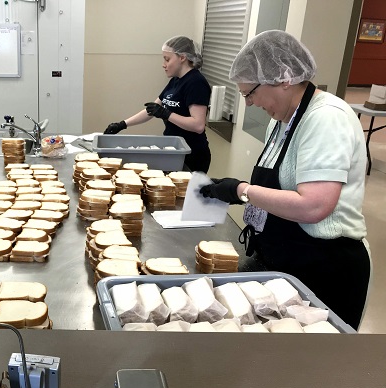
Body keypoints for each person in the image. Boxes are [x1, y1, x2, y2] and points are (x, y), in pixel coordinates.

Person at [200, 30, 371, 330]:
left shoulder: (325, 118)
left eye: (250, 93)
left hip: (324, 266)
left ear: (283, 76)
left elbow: (314, 206)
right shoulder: (281, 122)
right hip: (284, 259)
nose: (250, 104)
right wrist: (232, 189)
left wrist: (241, 190)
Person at [104, 36, 212, 173]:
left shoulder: (196, 83)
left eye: (167, 59)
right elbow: (152, 110)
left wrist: (167, 114)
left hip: (192, 155)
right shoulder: (176, 80)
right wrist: (122, 124)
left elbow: (198, 125)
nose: (164, 64)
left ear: (182, 57)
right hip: (174, 151)